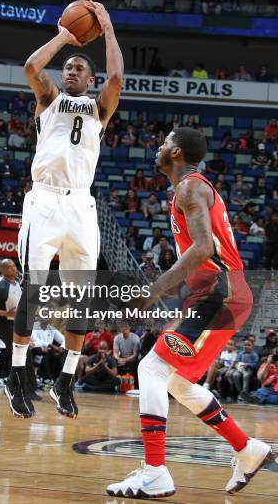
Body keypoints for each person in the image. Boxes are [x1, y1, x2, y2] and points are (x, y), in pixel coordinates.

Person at [107, 127, 271, 499]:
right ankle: (247, 449)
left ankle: (155, 472)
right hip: (220, 293)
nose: (159, 147)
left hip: (220, 292)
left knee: (151, 368)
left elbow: (200, 249)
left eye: (164, 142)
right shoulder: (189, 190)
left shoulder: (190, 187)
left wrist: (153, 291)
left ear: (176, 152)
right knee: (176, 383)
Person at [4, 0, 123, 419]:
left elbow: (118, 76)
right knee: (34, 290)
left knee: (82, 303)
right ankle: (16, 376)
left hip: (81, 205)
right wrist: (63, 37)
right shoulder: (49, 98)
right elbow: (31, 68)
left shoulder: (99, 109)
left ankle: (65, 381)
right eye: (68, 67)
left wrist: (107, 28)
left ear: (90, 80)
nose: (70, 71)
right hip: (45, 199)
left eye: (78, 69)